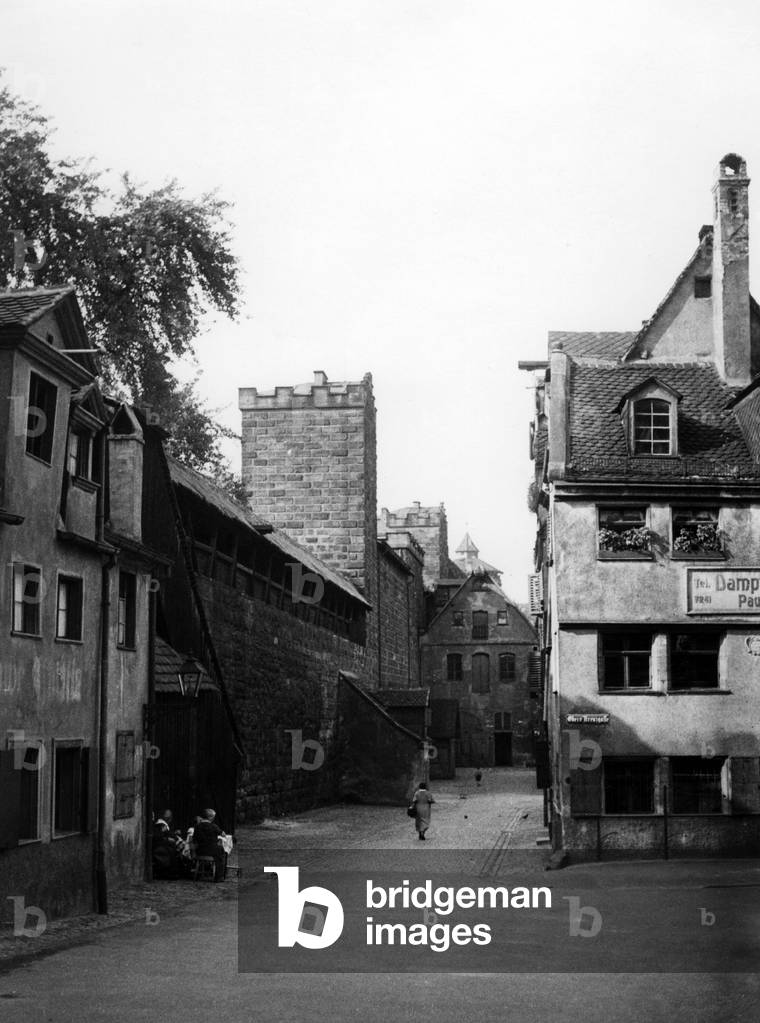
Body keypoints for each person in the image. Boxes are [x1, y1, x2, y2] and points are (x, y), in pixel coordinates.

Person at [191, 808, 227, 880]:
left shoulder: (197, 826)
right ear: (210, 817)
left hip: (200, 850)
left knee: (218, 850)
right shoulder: (213, 826)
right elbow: (223, 834)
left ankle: (202, 871)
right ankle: (219, 876)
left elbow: (194, 839)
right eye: (213, 817)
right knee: (222, 852)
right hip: (211, 850)